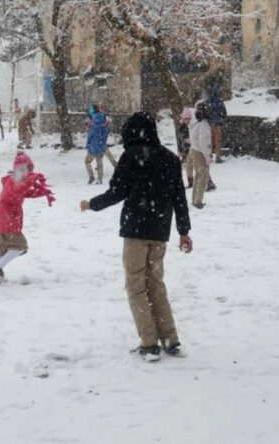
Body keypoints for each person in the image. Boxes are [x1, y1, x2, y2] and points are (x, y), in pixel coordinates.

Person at [80, 111, 192, 362]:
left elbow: (117, 192)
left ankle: (150, 343)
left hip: (136, 231)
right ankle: (170, 339)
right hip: (160, 232)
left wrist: (92, 204)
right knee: (156, 284)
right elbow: (179, 199)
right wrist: (184, 232)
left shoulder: (131, 158)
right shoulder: (170, 159)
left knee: (136, 286)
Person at [0, 152, 54, 284]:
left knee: (3, 250)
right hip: (7, 217)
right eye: (27, 170)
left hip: (0, 217)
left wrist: (42, 192)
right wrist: (31, 180)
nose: (29, 173)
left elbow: (26, 192)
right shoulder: (14, 182)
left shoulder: (15, 181)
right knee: (20, 246)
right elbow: (18, 190)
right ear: (19, 169)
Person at [189, 103, 213, 209]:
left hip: (194, 149)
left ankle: (195, 198)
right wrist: (208, 156)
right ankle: (198, 201)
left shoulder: (195, 123)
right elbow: (204, 142)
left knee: (198, 175)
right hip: (200, 152)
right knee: (203, 176)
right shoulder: (204, 125)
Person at [85, 105, 111, 184]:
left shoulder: (93, 124)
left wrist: (88, 143)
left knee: (87, 161)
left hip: (93, 146)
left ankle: (91, 176)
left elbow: (90, 136)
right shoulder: (104, 123)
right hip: (101, 146)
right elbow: (107, 133)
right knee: (99, 162)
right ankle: (100, 179)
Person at [206, 83, 227, 164]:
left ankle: (209, 156)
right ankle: (218, 157)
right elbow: (224, 112)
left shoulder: (208, 101)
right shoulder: (219, 101)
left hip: (209, 125)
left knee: (209, 141)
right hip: (217, 124)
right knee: (218, 141)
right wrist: (220, 118)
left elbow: (206, 112)